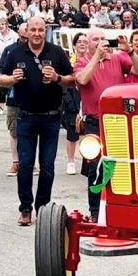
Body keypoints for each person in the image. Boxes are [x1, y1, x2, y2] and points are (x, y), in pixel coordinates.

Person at [0, 17, 75, 226]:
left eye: (41, 29)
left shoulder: (56, 52)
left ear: (45, 31)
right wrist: (12, 79)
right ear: (27, 31)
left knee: (47, 166)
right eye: (34, 29)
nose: (37, 33)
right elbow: (0, 78)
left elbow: (72, 79)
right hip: (26, 116)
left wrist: (58, 77)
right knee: (25, 165)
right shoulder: (15, 53)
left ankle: (43, 208)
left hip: (51, 117)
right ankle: (25, 209)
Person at [75, 29, 138, 220]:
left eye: (102, 39)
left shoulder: (117, 58)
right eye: (95, 40)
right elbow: (82, 79)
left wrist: (130, 50)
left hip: (118, 122)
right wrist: (96, 56)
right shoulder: (82, 61)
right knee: (96, 168)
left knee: (122, 166)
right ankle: (96, 211)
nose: (100, 43)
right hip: (95, 122)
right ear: (88, 44)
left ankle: (124, 208)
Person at [0, 23, 28, 177]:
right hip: (13, 97)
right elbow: (0, 74)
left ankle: (30, 163)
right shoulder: (10, 51)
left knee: (31, 132)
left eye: (27, 37)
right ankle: (16, 162)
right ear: (18, 34)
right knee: (14, 131)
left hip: (32, 98)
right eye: (22, 37)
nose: (25, 39)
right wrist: (12, 77)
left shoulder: (37, 51)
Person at [61, 32, 87, 176]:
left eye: (85, 41)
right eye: (79, 42)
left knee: (87, 134)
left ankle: (87, 162)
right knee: (72, 134)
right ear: (75, 45)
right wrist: (70, 104)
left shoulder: (92, 61)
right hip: (72, 100)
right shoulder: (69, 62)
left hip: (87, 101)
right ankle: (71, 161)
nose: (82, 44)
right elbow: (64, 84)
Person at [0, 17, 18, 115]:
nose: (1, 26)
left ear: (7, 25)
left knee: (13, 84)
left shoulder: (14, 35)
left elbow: (18, 48)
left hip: (12, 63)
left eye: (2, 24)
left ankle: (14, 105)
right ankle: (1, 106)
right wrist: (0, 59)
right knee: (1, 85)